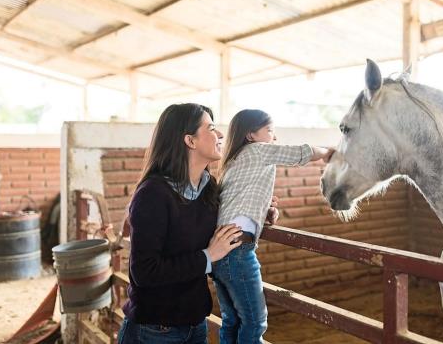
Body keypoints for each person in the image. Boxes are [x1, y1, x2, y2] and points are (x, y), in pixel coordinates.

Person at [118, 103, 243, 344]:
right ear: (190, 140)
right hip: (154, 330)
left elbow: (230, 216)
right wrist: (208, 256)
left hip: (195, 324)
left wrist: (263, 212)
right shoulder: (153, 194)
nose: (220, 135)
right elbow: (144, 271)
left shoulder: (209, 187)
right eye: (211, 128)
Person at [213, 109, 334, 344]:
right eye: (269, 130)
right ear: (250, 135)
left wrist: (264, 211)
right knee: (255, 322)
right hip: (238, 252)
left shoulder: (234, 161)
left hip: (222, 253)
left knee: (232, 321)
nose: (274, 137)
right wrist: (327, 152)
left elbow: (240, 201)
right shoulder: (257, 150)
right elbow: (301, 153)